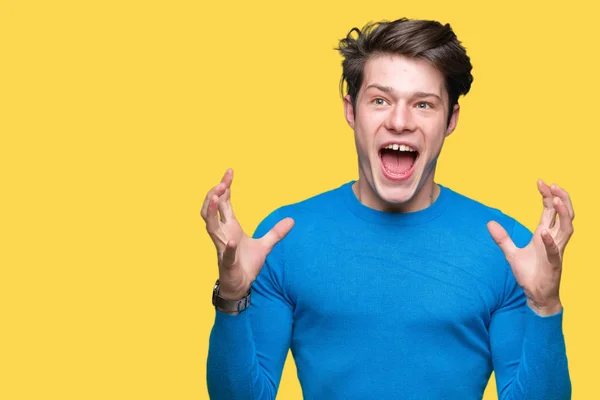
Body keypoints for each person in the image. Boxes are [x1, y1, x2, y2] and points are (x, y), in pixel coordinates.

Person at [201, 18, 573, 399]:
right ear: (351, 110)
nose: (399, 122)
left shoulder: (507, 248)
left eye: (424, 104)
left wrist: (544, 307)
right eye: (380, 100)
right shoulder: (284, 237)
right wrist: (232, 297)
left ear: (451, 120)